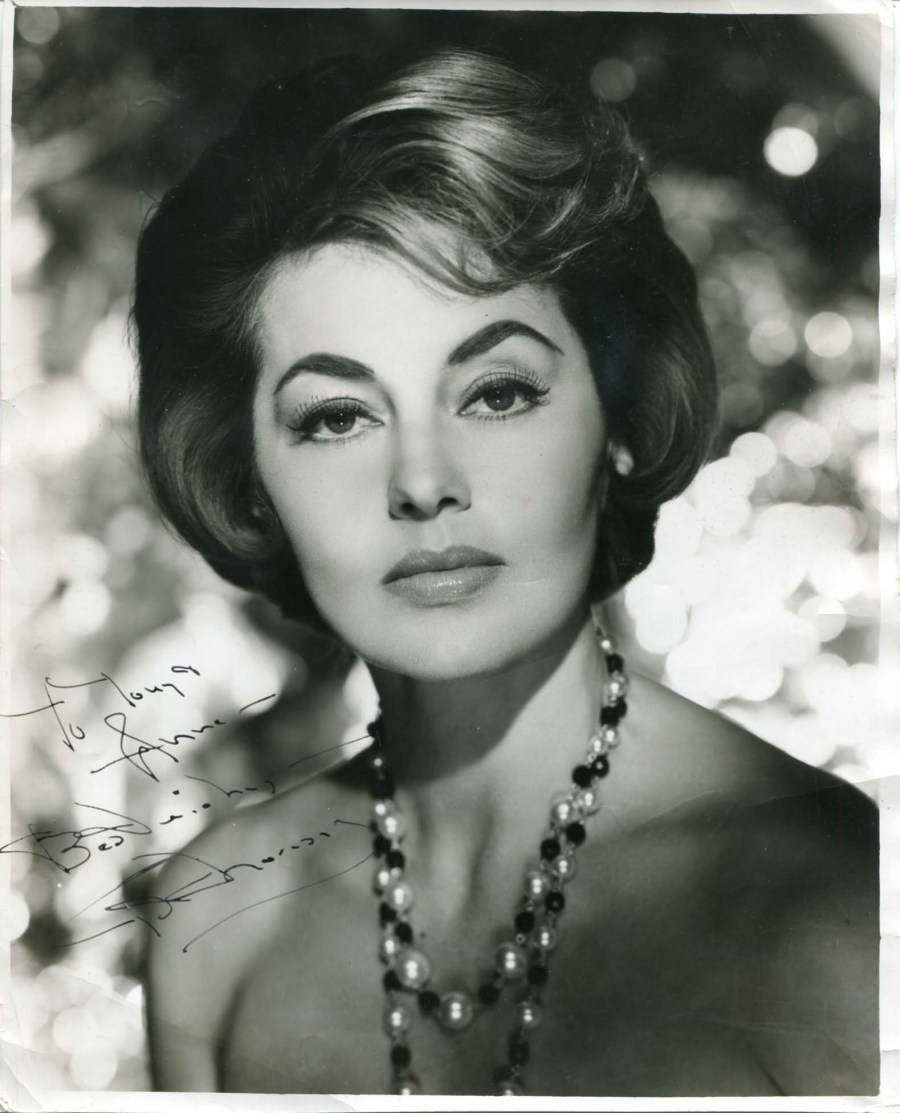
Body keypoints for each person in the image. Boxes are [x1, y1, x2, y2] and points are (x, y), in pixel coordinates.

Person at [132, 48, 878, 1097]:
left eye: (497, 392)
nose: (423, 482)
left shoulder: (833, 913)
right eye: (337, 417)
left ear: (618, 420)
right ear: (250, 480)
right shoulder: (215, 926)